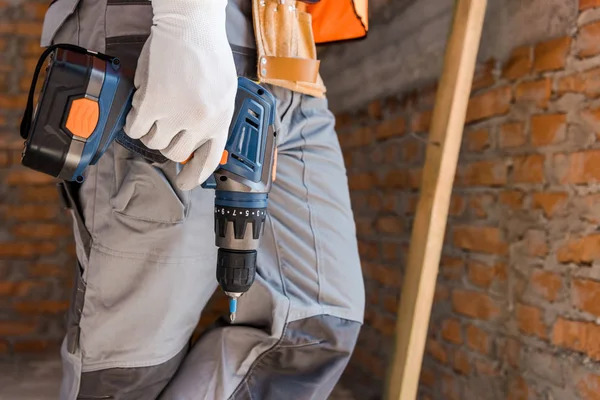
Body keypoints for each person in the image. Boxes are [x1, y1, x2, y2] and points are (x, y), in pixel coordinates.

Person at [41, 0, 366, 398]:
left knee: (317, 325)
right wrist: (188, 20)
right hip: (170, 37)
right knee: (131, 366)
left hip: (289, 57)